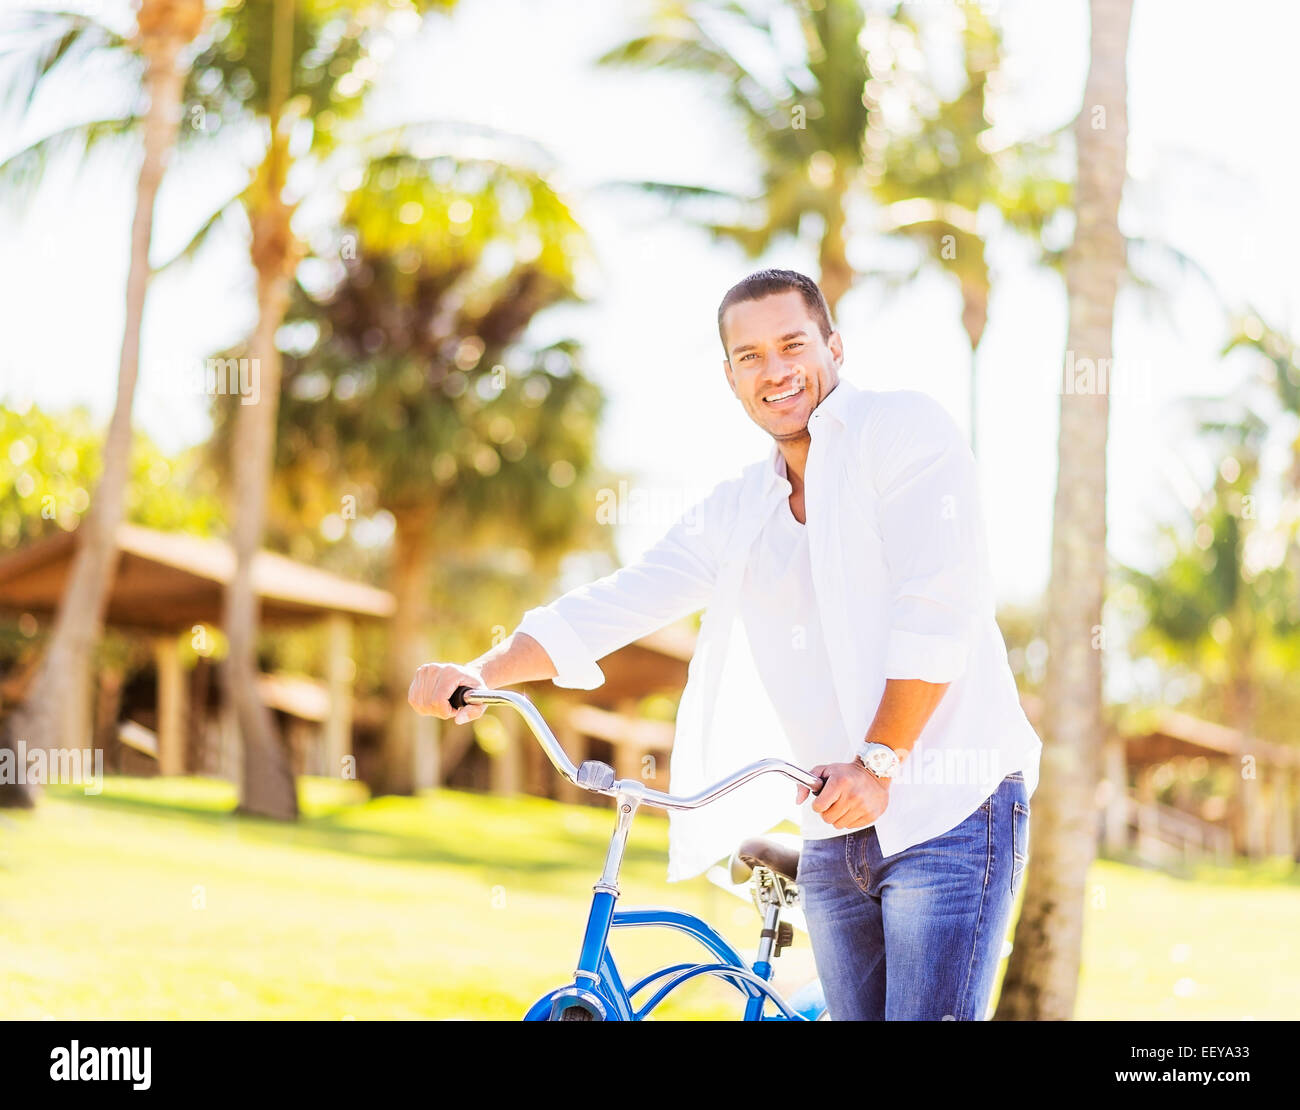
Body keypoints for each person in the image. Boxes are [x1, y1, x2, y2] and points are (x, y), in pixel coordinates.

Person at [409, 268, 1041, 1021]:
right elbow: (623, 598)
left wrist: (880, 761)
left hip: (950, 809)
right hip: (834, 827)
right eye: (749, 357)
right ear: (731, 378)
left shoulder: (903, 432)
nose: (774, 371)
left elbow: (939, 607)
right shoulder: (742, 507)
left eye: (791, 344)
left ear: (834, 346)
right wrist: (482, 671)